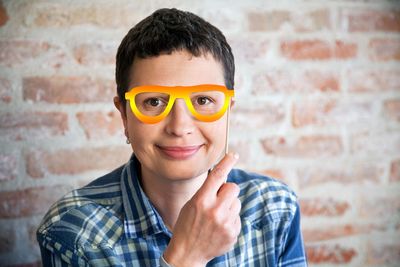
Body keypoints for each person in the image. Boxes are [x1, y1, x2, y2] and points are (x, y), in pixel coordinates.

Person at [37, 8, 308, 267]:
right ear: (124, 116)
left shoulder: (275, 207)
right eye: (154, 102)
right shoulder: (72, 231)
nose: (179, 127)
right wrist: (187, 258)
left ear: (228, 112)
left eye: (203, 100)